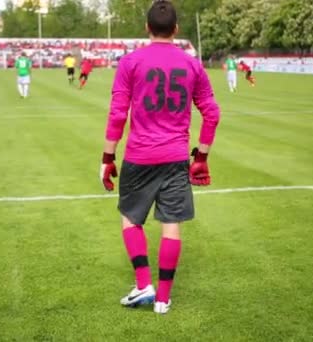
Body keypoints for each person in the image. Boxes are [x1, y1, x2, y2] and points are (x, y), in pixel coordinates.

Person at [100, 0, 220, 315]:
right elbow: (212, 113)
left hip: (139, 155)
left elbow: (117, 115)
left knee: (130, 216)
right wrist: (202, 156)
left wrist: (107, 157)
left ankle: (144, 285)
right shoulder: (192, 64)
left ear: (147, 28)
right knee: (171, 223)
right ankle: (163, 299)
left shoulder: (130, 62)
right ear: (176, 29)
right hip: (176, 156)